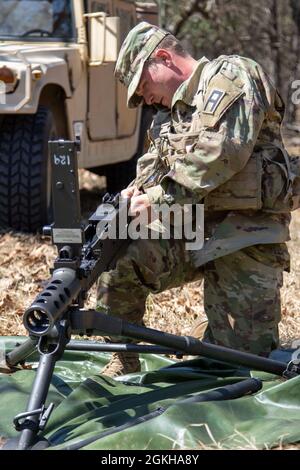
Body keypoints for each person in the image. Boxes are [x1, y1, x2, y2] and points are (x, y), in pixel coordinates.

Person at [97, 21, 296, 377]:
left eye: (143, 85)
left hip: (245, 233)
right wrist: (135, 192)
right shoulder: (167, 119)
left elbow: (221, 153)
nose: (144, 98)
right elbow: (151, 169)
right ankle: (122, 356)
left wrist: (156, 199)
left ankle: (220, 335)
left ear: (163, 58)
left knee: (245, 365)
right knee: (118, 256)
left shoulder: (232, 75)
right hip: (189, 228)